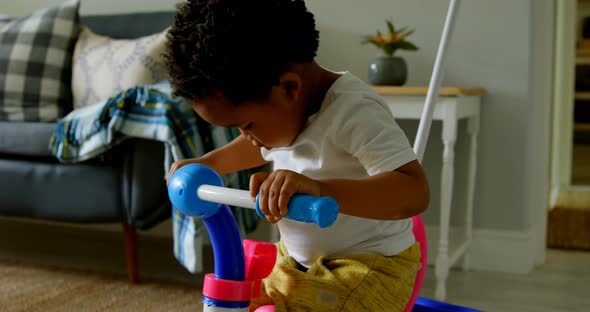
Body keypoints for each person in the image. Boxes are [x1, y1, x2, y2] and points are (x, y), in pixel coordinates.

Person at [164, 0, 430, 311]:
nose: (249, 137)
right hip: (297, 262)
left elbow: (414, 191)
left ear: (289, 88)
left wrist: (320, 189)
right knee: (239, 301)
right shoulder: (283, 112)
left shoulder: (355, 112)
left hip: (368, 268)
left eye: (246, 126)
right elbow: (258, 143)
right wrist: (208, 164)